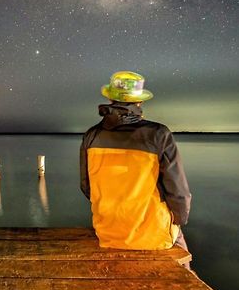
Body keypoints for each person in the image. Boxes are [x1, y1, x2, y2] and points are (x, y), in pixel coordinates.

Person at [80, 71, 191, 251]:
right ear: (139, 102)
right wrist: (179, 219)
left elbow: (86, 186)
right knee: (183, 253)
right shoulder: (159, 134)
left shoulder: (91, 136)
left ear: (111, 100)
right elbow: (178, 192)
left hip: (109, 233)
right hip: (153, 235)